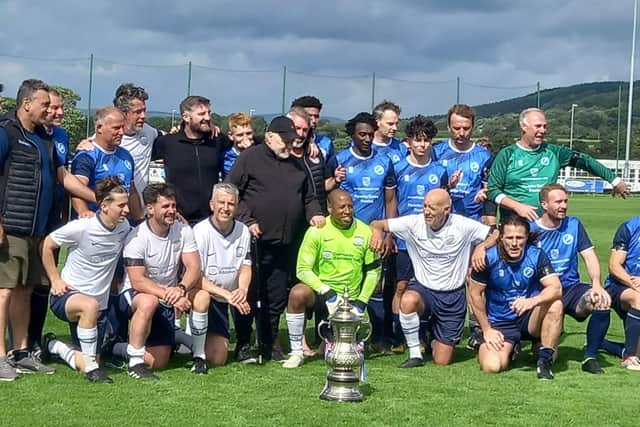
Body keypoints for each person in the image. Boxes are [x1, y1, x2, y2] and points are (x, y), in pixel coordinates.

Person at [226, 116, 325, 361]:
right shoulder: (249, 158)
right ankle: (244, 342)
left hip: (285, 243)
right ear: (270, 136)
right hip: (255, 241)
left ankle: (269, 342)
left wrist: (315, 214)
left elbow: (309, 197)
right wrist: (247, 220)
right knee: (250, 294)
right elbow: (231, 191)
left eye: (292, 140)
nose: (289, 145)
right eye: (285, 140)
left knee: (277, 296)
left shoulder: (296, 164)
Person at [370, 189, 492, 367]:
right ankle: (415, 354)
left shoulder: (463, 225)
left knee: (441, 360)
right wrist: (377, 233)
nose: (426, 211)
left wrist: (482, 247)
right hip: (424, 290)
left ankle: (431, 335)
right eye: (425, 206)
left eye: (432, 208)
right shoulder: (413, 222)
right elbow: (376, 223)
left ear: (446, 210)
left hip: (452, 296)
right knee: (408, 300)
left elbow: (496, 234)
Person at [41, 177, 131, 383]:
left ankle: (54, 345)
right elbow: (47, 244)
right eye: (121, 205)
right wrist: (55, 279)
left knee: (86, 358)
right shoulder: (82, 226)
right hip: (67, 297)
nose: (126, 210)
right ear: (104, 206)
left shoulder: (123, 227)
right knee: (90, 306)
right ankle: (93, 370)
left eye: (126, 204)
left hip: (99, 307)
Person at [0, 79, 61, 380]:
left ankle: (20, 351)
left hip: (36, 229)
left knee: (24, 290)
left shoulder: (41, 139)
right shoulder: (6, 133)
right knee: (4, 291)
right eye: (44, 104)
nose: (49, 110)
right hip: (10, 226)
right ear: (26, 104)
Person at [282, 189, 381, 368]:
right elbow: (302, 270)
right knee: (297, 293)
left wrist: (361, 303)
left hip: (350, 300)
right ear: (329, 208)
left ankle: (336, 341)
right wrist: (327, 292)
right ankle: (296, 351)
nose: (347, 211)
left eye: (350, 206)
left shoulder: (365, 232)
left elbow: (374, 272)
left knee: (340, 352)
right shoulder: (316, 231)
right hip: (323, 293)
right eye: (342, 207)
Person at [327, 112, 398, 353]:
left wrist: (389, 232)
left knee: (376, 285)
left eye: (370, 134)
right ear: (352, 135)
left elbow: (390, 199)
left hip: (375, 235)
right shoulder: (340, 159)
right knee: (343, 282)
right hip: (346, 234)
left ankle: (379, 338)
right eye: (362, 134)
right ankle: (335, 335)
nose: (367, 138)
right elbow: (330, 194)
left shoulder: (384, 161)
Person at [117, 183, 202, 379]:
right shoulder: (137, 237)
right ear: (150, 208)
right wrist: (171, 297)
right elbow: (137, 281)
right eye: (165, 207)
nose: (171, 211)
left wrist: (181, 288)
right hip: (135, 296)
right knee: (149, 301)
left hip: (168, 295)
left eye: (173, 206)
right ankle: (135, 362)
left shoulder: (183, 230)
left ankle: (116, 348)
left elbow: (194, 267)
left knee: (158, 361)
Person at [487, 107, 629, 220]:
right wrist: (518, 206)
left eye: (545, 126)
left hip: (547, 226)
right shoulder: (507, 154)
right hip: (514, 228)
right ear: (523, 126)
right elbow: (493, 190)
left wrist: (614, 180)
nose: (542, 131)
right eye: (538, 126)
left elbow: (585, 161)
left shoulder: (554, 152)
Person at [528, 184, 612, 374]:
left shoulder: (574, 225)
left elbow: (589, 256)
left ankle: (590, 356)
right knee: (546, 355)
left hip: (572, 289)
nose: (564, 205)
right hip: (544, 293)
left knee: (602, 301)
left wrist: (597, 284)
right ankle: (530, 343)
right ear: (544, 204)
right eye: (558, 201)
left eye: (565, 201)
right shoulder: (531, 229)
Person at [468, 215, 563, 379]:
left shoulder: (537, 255)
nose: (514, 243)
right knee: (493, 366)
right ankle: (509, 349)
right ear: (501, 238)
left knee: (555, 304)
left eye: (519, 238)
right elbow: (474, 293)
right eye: (509, 237)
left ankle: (544, 362)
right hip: (500, 322)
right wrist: (487, 329)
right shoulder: (487, 258)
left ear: (526, 238)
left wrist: (532, 301)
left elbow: (556, 288)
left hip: (529, 319)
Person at [391, 115, 448, 347]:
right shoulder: (398, 167)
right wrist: (391, 232)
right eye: (418, 140)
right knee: (401, 286)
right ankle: (399, 335)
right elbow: (391, 201)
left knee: (430, 286)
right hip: (405, 240)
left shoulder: (439, 170)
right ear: (409, 142)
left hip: (431, 240)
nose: (422, 145)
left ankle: (424, 333)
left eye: (426, 141)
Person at [192, 183, 252, 367]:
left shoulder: (243, 230)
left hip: (229, 296)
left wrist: (242, 289)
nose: (226, 208)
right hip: (206, 294)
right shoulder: (200, 231)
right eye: (221, 203)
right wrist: (227, 294)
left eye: (231, 204)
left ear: (237, 206)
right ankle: (195, 352)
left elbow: (245, 265)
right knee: (202, 297)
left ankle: (244, 342)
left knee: (218, 359)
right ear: (212, 205)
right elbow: (195, 276)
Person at [152, 96, 224, 225]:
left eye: (209, 113)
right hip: (178, 220)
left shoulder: (217, 140)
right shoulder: (167, 143)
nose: (207, 118)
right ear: (186, 117)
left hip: (212, 220)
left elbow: (247, 142)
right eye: (201, 114)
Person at [70, 107, 143, 219]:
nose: (121, 132)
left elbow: (131, 190)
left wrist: (139, 219)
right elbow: (76, 190)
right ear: (99, 128)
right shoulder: (87, 156)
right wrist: (83, 212)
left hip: (120, 225)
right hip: (95, 223)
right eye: (116, 128)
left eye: (123, 127)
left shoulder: (125, 155)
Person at [431, 104, 494, 224]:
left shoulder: (484, 155)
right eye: (456, 128)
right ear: (449, 127)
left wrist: (485, 192)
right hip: (442, 219)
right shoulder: (436, 152)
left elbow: (490, 186)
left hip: (472, 219)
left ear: (473, 127)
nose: (461, 133)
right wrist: (448, 186)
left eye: (466, 128)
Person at [603, 214, 640, 370]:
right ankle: (629, 357)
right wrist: (635, 284)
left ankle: (601, 343)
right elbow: (614, 265)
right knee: (639, 298)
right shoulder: (630, 227)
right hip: (619, 286)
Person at [290, 95, 334, 162]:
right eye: (309, 116)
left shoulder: (326, 143)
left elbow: (329, 168)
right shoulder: (285, 141)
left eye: (316, 116)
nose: (313, 120)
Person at [221, 112, 256, 180]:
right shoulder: (226, 156)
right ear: (231, 136)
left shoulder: (260, 152)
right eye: (240, 135)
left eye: (248, 133)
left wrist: (251, 151)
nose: (245, 138)